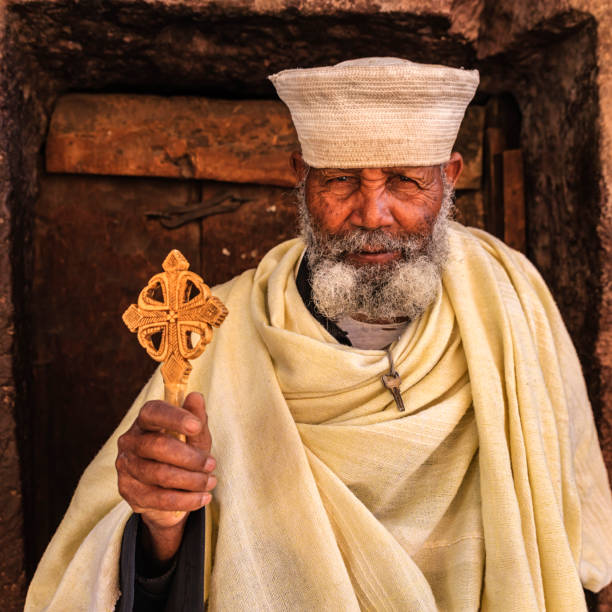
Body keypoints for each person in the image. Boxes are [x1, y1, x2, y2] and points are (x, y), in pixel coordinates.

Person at [25, 57, 612, 611]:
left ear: (450, 178)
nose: (373, 212)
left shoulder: (510, 297)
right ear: (299, 178)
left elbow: (575, 538)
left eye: (405, 181)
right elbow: (113, 575)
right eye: (341, 181)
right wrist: (161, 522)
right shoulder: (217, 332)